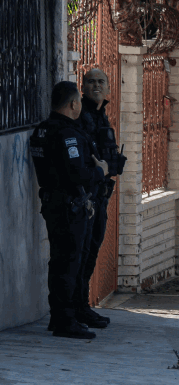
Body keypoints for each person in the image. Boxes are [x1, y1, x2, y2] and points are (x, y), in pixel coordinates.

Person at [31, 81, 106, 340]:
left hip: (53, 203)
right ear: (73, 104)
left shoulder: (42, 130)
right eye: (77, 104)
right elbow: (77, 175)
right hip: (68, 207)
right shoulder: (68, 134)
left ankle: (63, 316)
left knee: (60, 261)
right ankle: (65, 320)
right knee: (69, 263)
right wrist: (100, 171)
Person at [73, 67, 126, 330]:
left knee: (91, 252)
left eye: (100, 82)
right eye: (90, 82)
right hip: (86, 199)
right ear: (82, 88)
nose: (95, 86)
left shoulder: (101, 115)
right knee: (80, 255)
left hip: (100, 196)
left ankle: (82, 307)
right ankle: (77, 308)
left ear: (108, 89)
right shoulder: (81, 116)